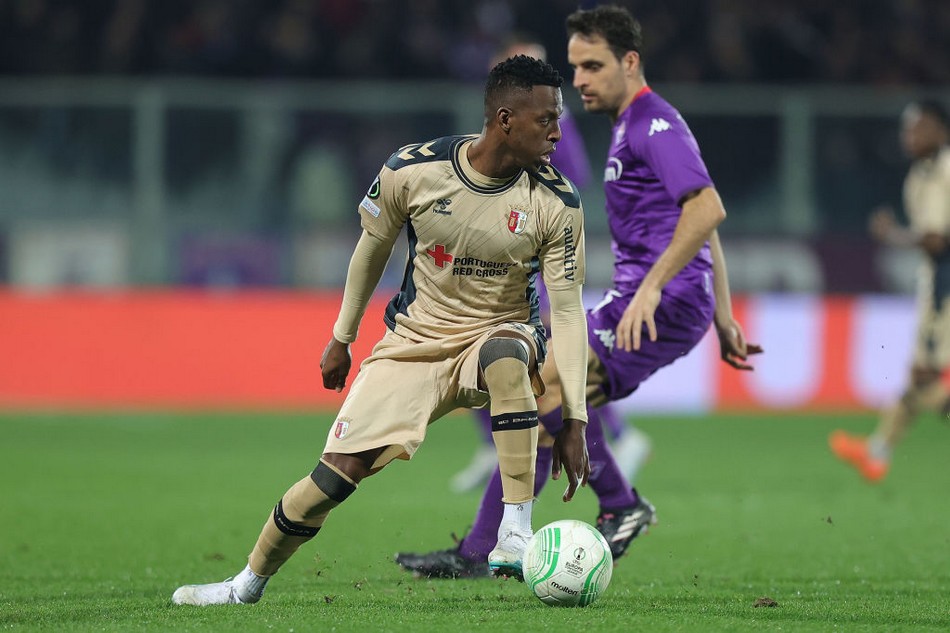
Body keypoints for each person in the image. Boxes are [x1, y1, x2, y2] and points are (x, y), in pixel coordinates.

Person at [171, 55, 592, 605]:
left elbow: (567, 312)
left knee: (507, 354)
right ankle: (243, 586)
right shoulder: (413, 171)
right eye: (547, 120)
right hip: (413, 345)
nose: (558, 132)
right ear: (505, 120)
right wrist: (341, 337)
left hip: (498, 332)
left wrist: (576, 418)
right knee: (333, 478)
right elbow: (371, 251)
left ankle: (514, 530)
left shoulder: (557, 201)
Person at [396, 4, 761, 581]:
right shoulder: (632, 126)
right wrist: (724, 315)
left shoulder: (653, 125)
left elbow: (707, 209)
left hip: (660, 302)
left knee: (542, 384)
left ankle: (617, 506)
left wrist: (653, 290)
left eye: (593, 66)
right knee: (545, 405)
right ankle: (487, 549)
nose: (580, 81)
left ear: (630, 62)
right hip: (663, 298)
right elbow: (698, 216)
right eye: (575, 68)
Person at [451, 31, 651, 495]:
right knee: (484, 342)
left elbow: (573, 177)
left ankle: (619, 436)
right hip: (501, 243)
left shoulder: (550, 119)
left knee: (542, 354)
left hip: (533, 246)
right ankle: (495, 444)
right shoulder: (498, 117)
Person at [830, 100, 950, 483]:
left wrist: (892, 235)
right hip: (936, 281)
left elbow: (936, 240)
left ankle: (876, 452)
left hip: (945, 285)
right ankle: (877, 452)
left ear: (941, 131)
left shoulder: (943, 172)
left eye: (919, 128)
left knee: (927, 378)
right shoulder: (919, 175)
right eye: (907, 129)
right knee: (920, 377)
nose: (909, 136)